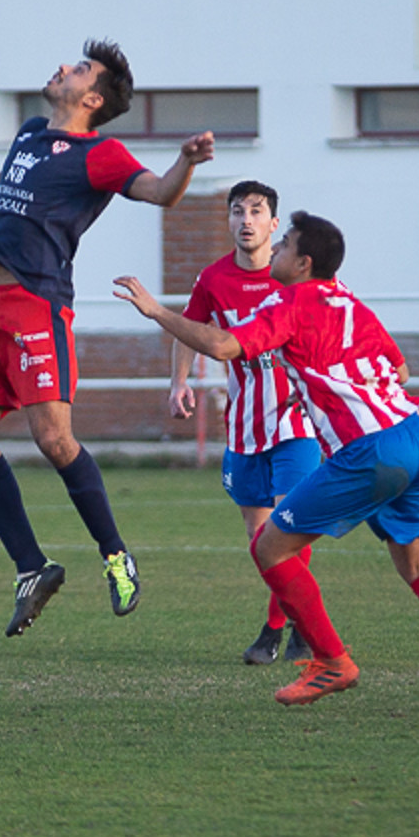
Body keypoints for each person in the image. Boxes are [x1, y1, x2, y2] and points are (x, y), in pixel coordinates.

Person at [115, 211, 419, 711]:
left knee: (269, 547)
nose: (275, 251)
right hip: (418, 437)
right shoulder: (348, 301)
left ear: (303, 262)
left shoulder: (290, 302)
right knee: (418, 566)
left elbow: (223, 344)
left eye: (285, 244)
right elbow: (398, 368)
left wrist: (157, 312)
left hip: (373, 449)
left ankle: (332, 661)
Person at [0, 38, 214, 636]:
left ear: (91, 96)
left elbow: (160, 192)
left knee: (54, 440)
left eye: (79, 68)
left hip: (36, 307)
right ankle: (31, 568)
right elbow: (9, 179)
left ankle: (116, 555)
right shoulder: (31, 132)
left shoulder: (101, 154)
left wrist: (185, 161)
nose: (62, 66)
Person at [167, 180, 323, 664]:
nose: (247, 220)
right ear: (230, 221)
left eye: (257, 211)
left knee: (288, 528)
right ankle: (297, 622)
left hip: (296, 424)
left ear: (274, 224)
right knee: (262, 544)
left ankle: (279, 630)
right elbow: (190, 331)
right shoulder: (213, 279)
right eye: (238, 211)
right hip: (244, 429)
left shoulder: (296, 274)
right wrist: (178, 383)